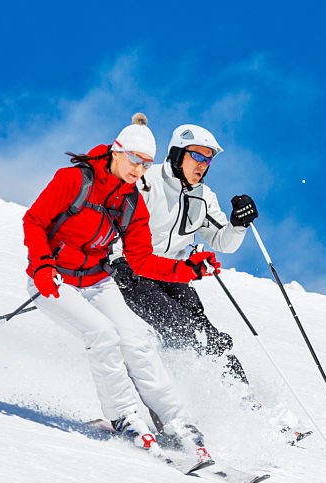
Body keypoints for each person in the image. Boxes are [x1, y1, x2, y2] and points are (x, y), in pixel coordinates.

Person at [22, 114, 222, 460]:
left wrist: (187, 269)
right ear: (116, 151)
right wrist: (40, 265)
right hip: (53, 279)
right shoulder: (74, 180)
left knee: (138, 338)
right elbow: (35, 220)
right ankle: (125, 415)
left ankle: (177, 420)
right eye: (133, 159)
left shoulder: (131, 203)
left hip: (96, 280)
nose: (138, 169)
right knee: (103, 335)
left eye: (145, 164)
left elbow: (142, 261)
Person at [110, 124, 258, 387]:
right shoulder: (146, 182)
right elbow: (113, 221)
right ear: (177, 155)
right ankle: (167, 395)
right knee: (178, 328)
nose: (203, 164)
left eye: (208, 159)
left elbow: (223, 241)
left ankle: (247, 404)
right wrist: (116, 258)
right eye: (197, 156)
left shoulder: (203, 197)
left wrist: (238, 224)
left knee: (211, 338)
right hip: (133, 269)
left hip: (172, 273)